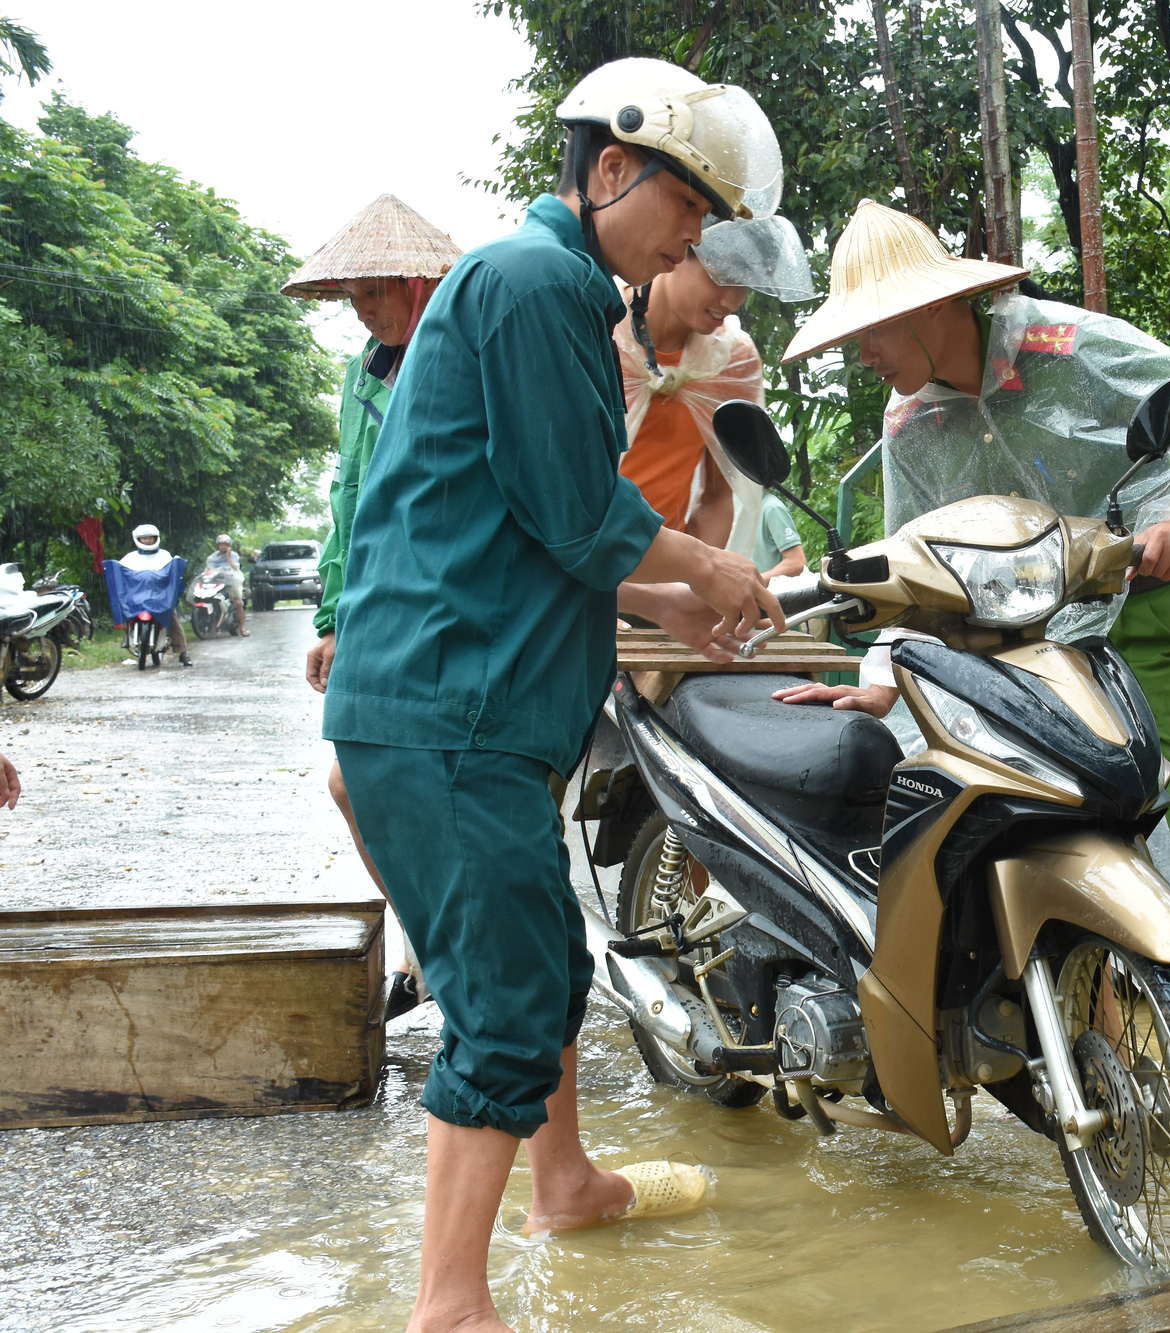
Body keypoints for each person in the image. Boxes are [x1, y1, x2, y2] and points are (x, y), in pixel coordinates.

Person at [773, 200, 1170, 1196]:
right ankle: (1112, 1081)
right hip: (1010, 649)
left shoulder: (1062, 345)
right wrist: (877, 678)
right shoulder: (908, 423)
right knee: (1027, 843)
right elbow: (905, 570)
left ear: (929, 309)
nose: (861, 359)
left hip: (1144, 613)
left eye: (869, 335)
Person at [320, 57, 786, 1333]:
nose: (697, 233)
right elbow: (582, 518)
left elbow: (537, 534)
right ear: (617, 168)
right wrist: (709, 566)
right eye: (691, 206)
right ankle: (452, 1306)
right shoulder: (534, 285)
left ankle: (565, 1185)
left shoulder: (559, 293)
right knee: (510, 1002)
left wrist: (680, 600)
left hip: (455, 705)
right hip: (451, 708)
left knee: (532, 971)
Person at [284, 194, 462, 1020]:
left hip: (442, 611)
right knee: (352, 783)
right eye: (353, 299)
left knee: (396, 785)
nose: (363, 312)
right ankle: (427, 947)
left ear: (417, 283)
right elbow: (345, 499)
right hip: (375, 614)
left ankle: (449, 954)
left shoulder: (457, 358)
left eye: (375, 294)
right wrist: (329, 616)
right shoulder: (363, 372)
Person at [614, 214, 814, 554]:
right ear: (679, 249)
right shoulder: (598, 329)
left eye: (746, 281)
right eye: (722, 275)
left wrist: (692, 581)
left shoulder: (732, 359)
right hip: (575, 566)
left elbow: (718, 493)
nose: (733, 298)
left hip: (667, 569)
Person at [118, 524, 191, 667]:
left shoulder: (164, 556)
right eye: (144, 538)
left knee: (173, 617)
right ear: (137, 539)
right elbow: (121, 576)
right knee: (125, 612)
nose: (147, 541)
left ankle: (183, 652)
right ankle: (128, 636)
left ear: (156, 539)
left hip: (160, 597)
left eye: (150, 538)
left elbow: (172, 575)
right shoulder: (129, 558)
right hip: (137, 597)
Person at [751, 490, 805, 577]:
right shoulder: (742, 511)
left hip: (768, 589)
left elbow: (797, 562)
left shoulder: (772, 508)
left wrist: (755, 582)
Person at [204, 534, 248, 636]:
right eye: (221, 544)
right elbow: (209, 569)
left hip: (231, 581)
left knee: (237, 602)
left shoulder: (234, 556)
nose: (223, 546)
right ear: (218, 545)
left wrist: (228, 557)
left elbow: (235, 567)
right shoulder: (212, 558)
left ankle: (242, 627)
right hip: (216, 582)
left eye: (225, 544)